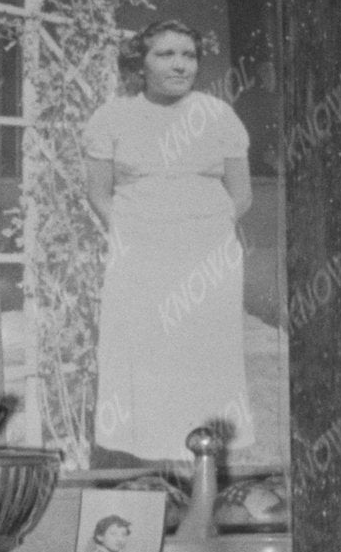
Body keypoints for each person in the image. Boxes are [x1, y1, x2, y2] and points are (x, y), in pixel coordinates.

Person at [87, 25, 254, 463]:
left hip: (206, 259)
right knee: (144, 356)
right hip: (140, 258)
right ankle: (147, 461)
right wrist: (136, 234)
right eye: (165, 55)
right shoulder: (113, 117)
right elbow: (99, 194)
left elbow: (241, 195)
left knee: (203, 357)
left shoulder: (218, 115)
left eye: (189, 55)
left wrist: (201, 236)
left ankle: (205, 465)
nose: (180, 65)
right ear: (140, 63)